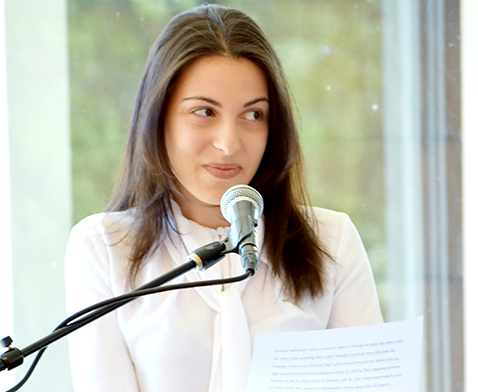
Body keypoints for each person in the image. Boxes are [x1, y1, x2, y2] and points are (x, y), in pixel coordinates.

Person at [64, 4, 383, 392]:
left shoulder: (332, 242)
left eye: (253, 116)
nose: (229, 143)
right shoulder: (105, 248)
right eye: (204, 112)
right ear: (158, 116)